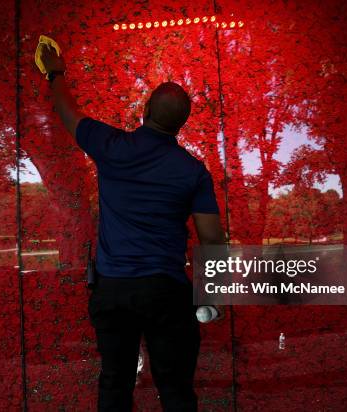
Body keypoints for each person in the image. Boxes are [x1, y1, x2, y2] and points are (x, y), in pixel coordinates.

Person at [40, 45, 225, 411]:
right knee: (175, 389)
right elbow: (212, 240)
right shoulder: (192, 171)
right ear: (180, 125)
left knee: (115, 383)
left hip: (114, 292)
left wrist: (55, 73)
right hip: (166, 293)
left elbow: (67, 113)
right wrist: (211, 296)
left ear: (144, 113)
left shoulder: (113, 147)